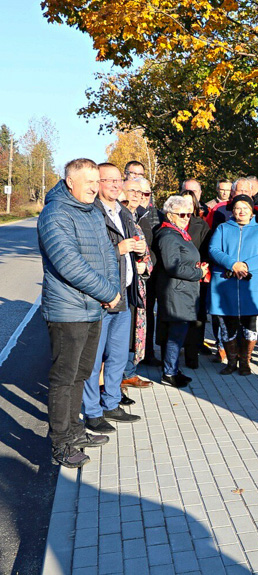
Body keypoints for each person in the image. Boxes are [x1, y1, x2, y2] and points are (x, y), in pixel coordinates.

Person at [38, 158, 120, 467]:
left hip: (93, 308)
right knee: (63, 377)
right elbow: (68, 264)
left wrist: (114, 289)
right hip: (67, 310)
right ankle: (60, 443)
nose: (95, 187)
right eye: (88, 182)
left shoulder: (93, 212)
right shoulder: (54, 213)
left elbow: (109, 254)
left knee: (82, 374)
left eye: (97, 181)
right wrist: (108, 292)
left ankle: (75, 430)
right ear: (70, 182)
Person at [81, 163, 147, 435]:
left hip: (125, 294)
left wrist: (140, 253)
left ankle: (111, 403)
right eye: (108, 180)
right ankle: (93, 412)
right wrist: (118, 248)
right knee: (94, 359)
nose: (115, 185)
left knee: (118, 356)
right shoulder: (90, 212)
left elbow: (131, 246)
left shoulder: (123, 213)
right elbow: (86, 253)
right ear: (97, 182)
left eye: (118, 180)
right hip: (102, 297)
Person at [208, 194, 258, 375]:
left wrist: (246, 266)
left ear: (252, 210)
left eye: (245, 207)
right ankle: (231, 361)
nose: (241, 211)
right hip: (225, 283)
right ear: (232, 210)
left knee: (250, 326)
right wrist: (232, 264)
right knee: (227, 325)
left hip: (250, 285)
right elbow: (213, 249)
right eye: (238, 207)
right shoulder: (222, 228)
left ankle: (245, 361)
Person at [153, 196, 209, 386]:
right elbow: (172, 266)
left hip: (183, 292)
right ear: (170, 215)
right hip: (176, 292)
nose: (187, 218)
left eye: (189, 214)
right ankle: (169, 373)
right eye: (182, 214)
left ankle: (173, 369)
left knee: (178, 334)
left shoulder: (179, 233)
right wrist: (198, 272)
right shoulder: (168, 235)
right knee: (175, 335)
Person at [119, 178, 155, 392]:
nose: (137, 196)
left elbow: (149, 250)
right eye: (132, 190)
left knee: (134, 329)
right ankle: (115, 381)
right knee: (120, 333)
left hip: (136, 283)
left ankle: (129, 372)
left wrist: (144, 262)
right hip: (118, 284)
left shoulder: (140, 218)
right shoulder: (116, 215)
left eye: (141, 193)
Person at [175, 189, 211, 368]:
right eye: (183, 202)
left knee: (196, 316)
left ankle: (192, 355)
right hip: (177, 277)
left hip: (197, 276)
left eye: (190, 203)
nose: (187, 207)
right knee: (177, 316)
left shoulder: (200, 225)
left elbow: (207, 249)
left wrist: (202, 268)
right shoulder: (171, 224)